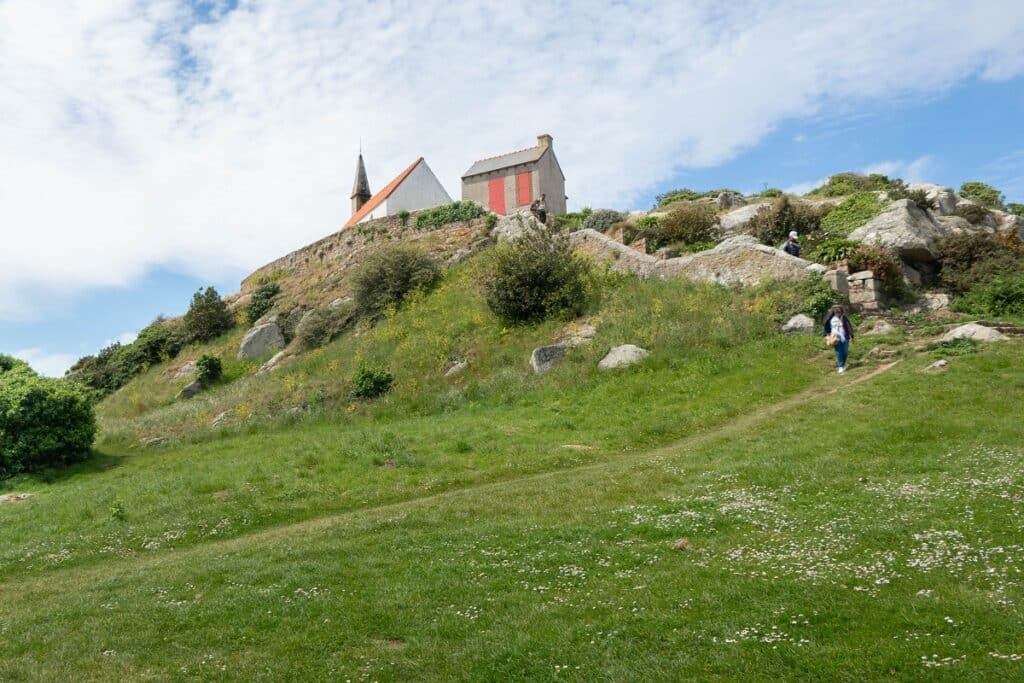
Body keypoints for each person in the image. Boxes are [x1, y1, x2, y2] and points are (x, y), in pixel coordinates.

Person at [822, 304, 854, 373]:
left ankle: (843, 364)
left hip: (845, 337)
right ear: (833, 312)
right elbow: (825, 326)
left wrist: (852, 336)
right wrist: (826, 335)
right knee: (839, 352)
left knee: (845, 352)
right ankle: (841, 366)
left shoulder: (844, 318)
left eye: (839, 312)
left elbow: (849, 326)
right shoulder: (830, 319)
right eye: (836, 312)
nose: (837, 313)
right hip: (835, 337)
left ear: (841, 311)